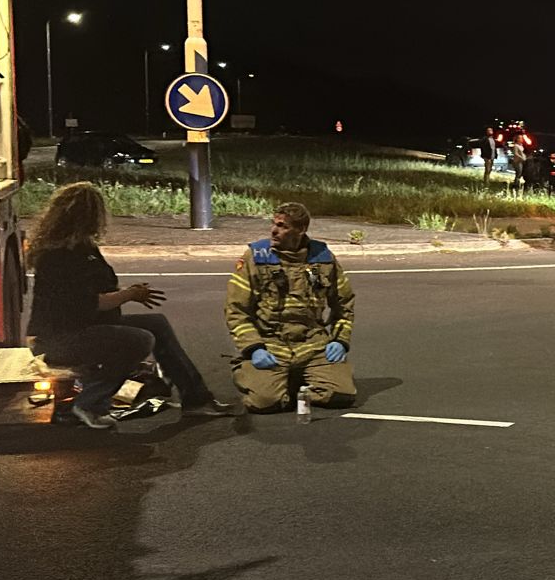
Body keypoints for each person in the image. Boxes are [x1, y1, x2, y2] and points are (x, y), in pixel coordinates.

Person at [27, 182, 233, 429]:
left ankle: (196, 398)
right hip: (61, 338)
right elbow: (89, 304)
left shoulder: (83, 248)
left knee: (156, 323)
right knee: (139, 339)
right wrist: (129, 295)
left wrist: (128, 293)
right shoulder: (58, 257)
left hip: (84, 327)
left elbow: (99, 291)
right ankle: (90, 402)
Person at [226, 201, 357, 413]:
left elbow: (344, 303)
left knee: (340, 395)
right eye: (274, 224)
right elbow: (236, 310)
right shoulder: (256, 257)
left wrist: (340, 340)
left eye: (282, 226)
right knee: (265, 402)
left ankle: (296, 376)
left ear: (301, 229)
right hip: (270, 344)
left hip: (312, 344)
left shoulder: (323, 258)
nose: (274, 230)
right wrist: (254, 348)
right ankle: (246, 368)